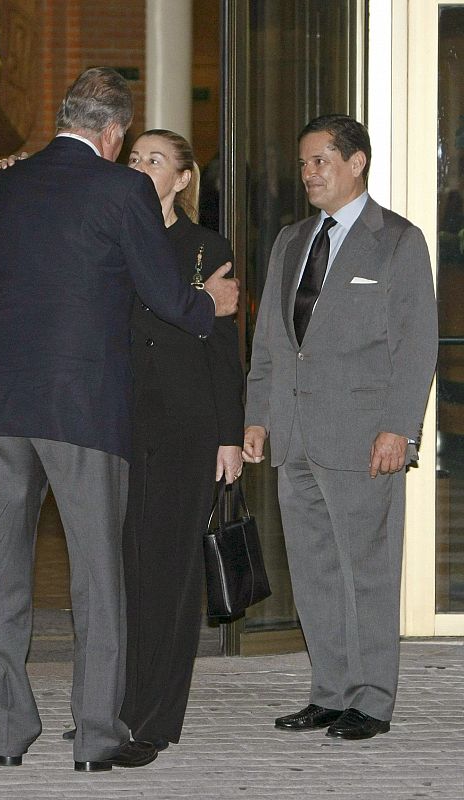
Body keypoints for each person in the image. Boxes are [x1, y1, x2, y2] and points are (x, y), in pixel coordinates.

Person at [0, 67, 239, 772]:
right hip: (81, 403)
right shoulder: (122, 189)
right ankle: (95, 736)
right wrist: (214, 306)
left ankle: (6, 735)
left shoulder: (2, 185)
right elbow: (163, 290)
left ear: (64, 116)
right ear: (113, 133)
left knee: (4, 576)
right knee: (97, 580)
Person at [243, 114, 437, 740]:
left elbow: (416, 347)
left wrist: (399, 430)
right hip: (295, 433)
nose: (309, 173)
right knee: (313, 568)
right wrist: (257, 416)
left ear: (357, 163)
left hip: (362, 436)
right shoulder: (290, 241)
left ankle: (372, 700)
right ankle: (329, 691)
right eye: (303, 163)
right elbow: (271, 341)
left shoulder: (398, 242)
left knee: (367, 571)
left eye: (321, 160)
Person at [119, 130, 244, 751]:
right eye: (135, 157)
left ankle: (157, 719)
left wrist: (229, 434)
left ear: (184, 178)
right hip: (118, 424)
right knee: (121, 570)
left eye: (156, 160)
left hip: (186, 425)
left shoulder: (205, 246)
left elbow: (224, 348)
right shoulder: (113, 237)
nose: (142, 167)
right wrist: (196, 302)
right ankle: (120, 703)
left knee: (169, 573)